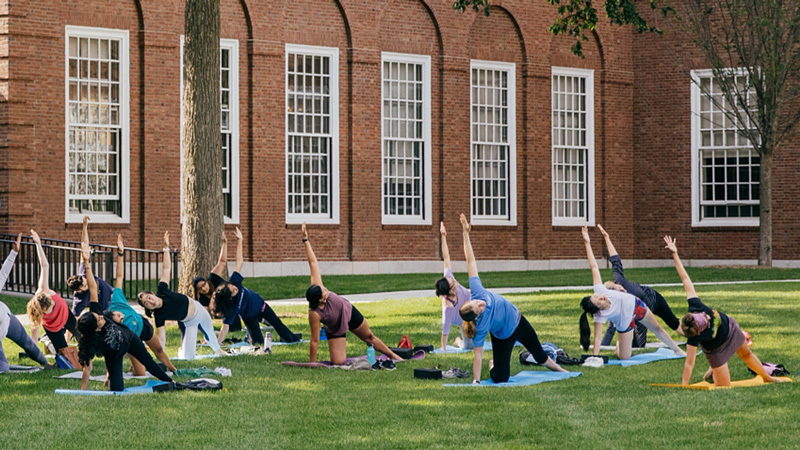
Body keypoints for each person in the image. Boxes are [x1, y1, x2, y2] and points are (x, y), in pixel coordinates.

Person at [457, 214, 567, 384]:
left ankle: (560, 369)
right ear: (477, 315)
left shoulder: (477, 292)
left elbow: (470, 261)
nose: (480, 303)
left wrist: (465, 233)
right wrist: (476, 381)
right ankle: (493, 365)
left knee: (538, 354)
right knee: (501, 378)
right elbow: (477, 355)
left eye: (476, 302)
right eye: (478, 307)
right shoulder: (481, 326)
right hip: (503, 336)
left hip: (518, 320)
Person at [664, 235, 784, 386]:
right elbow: (689, 363)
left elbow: (685, 279)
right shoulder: (693, 337)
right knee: (724, 387)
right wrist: (684, 385)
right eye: (707, 323)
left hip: (730, 330)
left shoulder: (696, 305)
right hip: (715, 350)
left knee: (746, 354)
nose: (708, 319)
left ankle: (768, 377)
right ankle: (712, 371)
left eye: (706, 318)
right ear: (698, 333)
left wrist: (675, 254)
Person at [76, 242, 173, 392]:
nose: (102, 317)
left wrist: (87, 262)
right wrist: (82, 390)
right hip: (114, 354)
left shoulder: (97, 312)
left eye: (99, 316)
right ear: (94, 329)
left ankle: (171, 381)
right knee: (117, 390)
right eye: (99, 320)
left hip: (130, 339)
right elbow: (87, 368)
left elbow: (93, 288)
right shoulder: (89, 342)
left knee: (149, 363)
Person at [301, 223, 402, 365]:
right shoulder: (314, 313)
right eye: (324, 293)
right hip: (335, 328)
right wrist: (312, 363)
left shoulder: (317, 287)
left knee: (369, 336)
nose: (326, 290)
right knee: (338, 362)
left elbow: (313, 263)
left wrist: (305, 240)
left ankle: (393, 355)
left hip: (348, 312)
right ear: (320, 301)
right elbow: (314, 340)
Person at [579, 227, 685, 360]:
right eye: (598, 301)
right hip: (625, 323)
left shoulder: (603, 288)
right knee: (624, 358)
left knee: (656, 327)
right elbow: (598, 338)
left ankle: (677, 350)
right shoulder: (599, 316)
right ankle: (620, 345)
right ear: (598, 309)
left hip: (637, 306)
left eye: (596, 296)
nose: (601, 297)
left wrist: (587, 242)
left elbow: (594, 266)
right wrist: (595, 356)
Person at [136, 231, 225, 360]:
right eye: (146, 303)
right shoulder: (159, 316)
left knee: (211, 336)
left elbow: (166, 270)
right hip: (190, 321)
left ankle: (219, 350)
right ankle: (182, 351)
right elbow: (161, 339)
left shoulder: (162, 290)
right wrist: (158, 354)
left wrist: (166, 248)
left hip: (198, 308)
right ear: (148, 308)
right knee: (188, 358)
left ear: (152, 294)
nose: (150, 302)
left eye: (149, 298)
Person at [213, 227, 300, 347]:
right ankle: (256, 335)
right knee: (258, 343)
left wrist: (240, 240)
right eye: (233, 292)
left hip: (261, 306)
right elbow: (225, 327)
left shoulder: (235, 282)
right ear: (230, 298)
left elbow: (239, 262)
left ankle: (293, 338)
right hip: (250, 317)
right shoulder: (231, 308)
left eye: (233, 287)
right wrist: (217, 344)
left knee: (278, 324)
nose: (236, 289)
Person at [102, 234, 176, 374]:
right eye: (119, 318)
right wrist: (108, 376)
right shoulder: (114, 328)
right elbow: (110, 353)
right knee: (140, 374)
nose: (121, 316)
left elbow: (119, 276)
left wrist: (120, 253)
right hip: (133, 340)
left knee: (158, 349)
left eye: (119, 315)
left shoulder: (117, 300)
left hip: (143, 326)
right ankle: (135, 365)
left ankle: (174, 370)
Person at [26, 229, 81, 366]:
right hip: (53, 328)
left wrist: (38, 244)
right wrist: (36, 357)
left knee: (81, 334)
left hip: (66, 314)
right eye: (51, 308)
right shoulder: (36, 315)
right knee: (64, 353)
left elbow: (45, 266)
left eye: (52, 302)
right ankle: (52, 349)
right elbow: (33, 340)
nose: (53, 305)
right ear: (43, 311)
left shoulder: (43, 289)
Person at [0, 233, 50, 373]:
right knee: (3, 369)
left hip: (7, 319)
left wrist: (14, 252)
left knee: (28, 343)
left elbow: (3, 274)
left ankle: (47, 363)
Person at [191, 232, 242, 333]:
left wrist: (225, 243)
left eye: (204, 285)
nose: (204, 289)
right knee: (235, 329)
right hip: (227, 308)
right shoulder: (203, 299)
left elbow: (222, 262)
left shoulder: (213, 277)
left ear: (206, 281)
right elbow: (205, 314)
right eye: (200, 289)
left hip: (235, 295)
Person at [434, 221, 472, 351]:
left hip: (473, 300)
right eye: (453, 284)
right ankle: (458, 341)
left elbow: (446, 256)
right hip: (464, 320)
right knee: (469, 346)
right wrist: (443, 349)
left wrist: (443, 236)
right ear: (449, 291)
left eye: (452, 280)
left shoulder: (448, 276)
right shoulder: (448, 309)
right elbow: (445, 331)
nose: (454, 281)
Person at [67, 217, 112, 317]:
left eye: (84, 280)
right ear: (79, 290)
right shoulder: (79, 300)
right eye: (84, 286)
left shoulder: (84, 272)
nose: (87, 282)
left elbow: (84, 247)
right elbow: (74, 317)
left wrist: (85, 226)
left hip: (113, 295)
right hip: (105, 310)